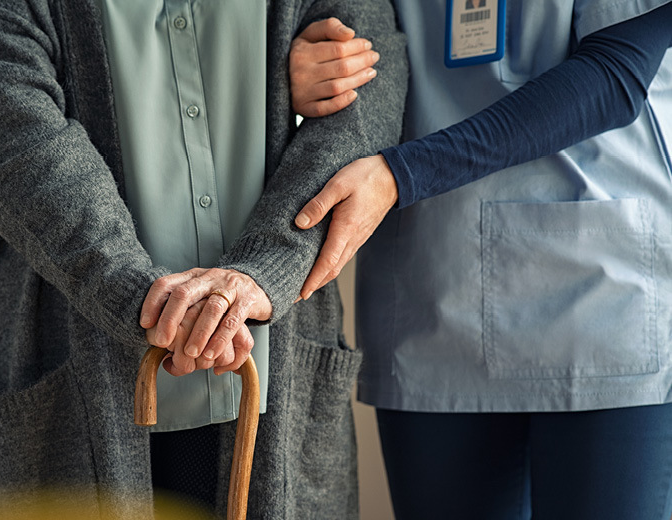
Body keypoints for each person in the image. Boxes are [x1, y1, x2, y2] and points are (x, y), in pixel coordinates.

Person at [0, 0, 406, 518]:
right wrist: (150, 302)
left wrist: (264, 271)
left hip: (270, 359)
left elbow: (366, 97)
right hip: (61, 353)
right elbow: (11, 137)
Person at [287, 1, 672, 519]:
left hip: (600, 301)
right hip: (433, 292)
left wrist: (403, 174)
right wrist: (303, 74)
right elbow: (334, 29)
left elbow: (615, 75)